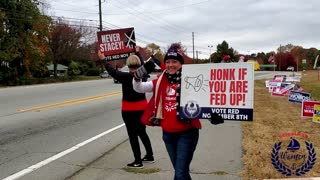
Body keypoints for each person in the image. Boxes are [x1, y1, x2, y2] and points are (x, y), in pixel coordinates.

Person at [132, 43, 224, 180]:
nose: (170, 64)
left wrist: (213, 115)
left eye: (174, 61)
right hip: (168, 134)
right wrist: (138, 75)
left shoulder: (190, 81)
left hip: (187, 133)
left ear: (181, 64)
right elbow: (139, 88)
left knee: (180, 174)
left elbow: (203, 101)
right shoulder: (160, 80)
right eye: (168, 62)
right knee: (181, 172)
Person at [98, 49, 154, 168]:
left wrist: (103, 59)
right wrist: (138, 53)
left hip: (129, 110)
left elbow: (111, 71)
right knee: (142, 132)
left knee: (132, 134)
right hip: (142, 107)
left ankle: (138, 161)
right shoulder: (143, 75)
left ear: (128, 65)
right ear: (139, 65)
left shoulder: (125, 76)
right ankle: (150, 155)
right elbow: (144, 66)